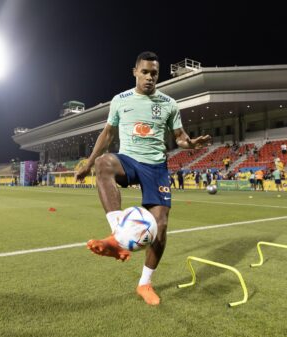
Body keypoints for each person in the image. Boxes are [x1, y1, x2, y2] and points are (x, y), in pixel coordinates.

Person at [75, 51, 211, 306]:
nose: (149, 77)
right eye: (145, 72)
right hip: (128, 160)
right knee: (105, 163)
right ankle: (118, 234)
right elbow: (107, 134)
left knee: (160, 227)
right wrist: (88, 163)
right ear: (135, 71)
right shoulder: (120, 100)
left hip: (156, 166)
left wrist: (189, 143)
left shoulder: (169, 103)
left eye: (154, 73)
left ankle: (145, 284)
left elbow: (180, 136)